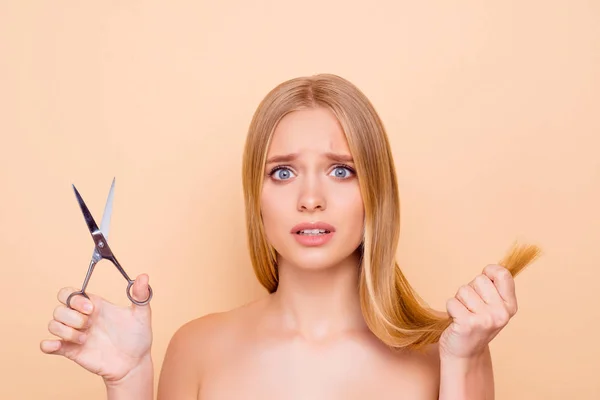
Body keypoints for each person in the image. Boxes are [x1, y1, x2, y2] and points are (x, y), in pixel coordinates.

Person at [40, 73, 539, 399]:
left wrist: (466, 361)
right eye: (282, 173)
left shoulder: (444, 353)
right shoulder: (196, 347)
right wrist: (128, 381)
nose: (310, 198)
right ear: (254, 196)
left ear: (377, 192)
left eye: (341, 171)